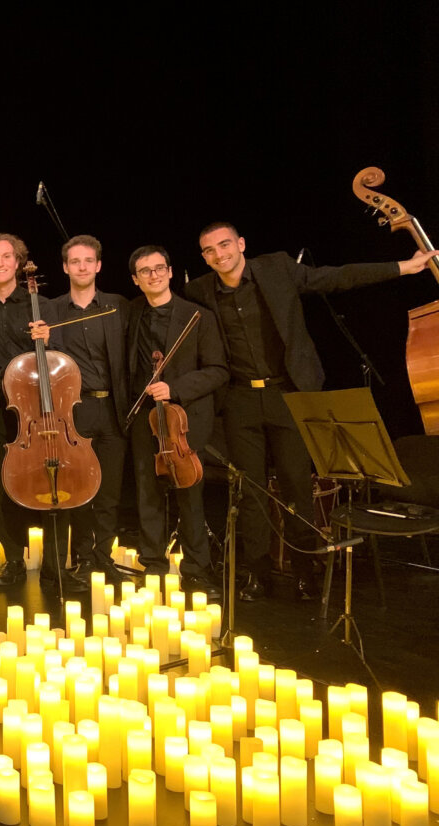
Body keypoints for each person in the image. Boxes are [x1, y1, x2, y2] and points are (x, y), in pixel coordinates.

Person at [184, 222, 438, 600]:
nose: (219, 254)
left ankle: (305, 572)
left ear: (241, 243)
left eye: (224, 245)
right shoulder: (200, 291)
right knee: (250, 491)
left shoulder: (277, 268)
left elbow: (335, 278)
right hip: (238, 399)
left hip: (288, 393)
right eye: (209, 250)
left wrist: (404, 267)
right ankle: (258, 574)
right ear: (204, 257)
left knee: (297, 485)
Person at [0, 234, 60, 593]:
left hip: (37, 402)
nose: (0, 263)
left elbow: (60, 356)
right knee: (4, 481)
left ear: (18, 263)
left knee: (48, 478)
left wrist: (49, 339)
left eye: (6, 257)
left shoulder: (40, 305)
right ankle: (14, 559)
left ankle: (54, 564)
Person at [127, 245, 227, 599]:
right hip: (145, 417)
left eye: (159, 268)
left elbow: (218, 370)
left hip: (184, 419)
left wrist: (176, 389)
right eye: (145, 271)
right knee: (148, 493)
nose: (153, 275)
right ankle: (153, 565)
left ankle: (196, 570)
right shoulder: (131, 313)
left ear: (170, 272)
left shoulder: (198, 316)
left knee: (190, 495)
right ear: (136, 280)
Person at [49, 235, 131, 585]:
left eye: (88, 261)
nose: (81, 267)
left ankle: (104, 557)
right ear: (65, 267)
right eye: (75, 261)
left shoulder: (117, 305)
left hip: (112, 408)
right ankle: (83, 557)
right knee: (79, 489)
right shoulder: (51, 310)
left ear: (98, 265)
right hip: (73, 409)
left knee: (109, 490)